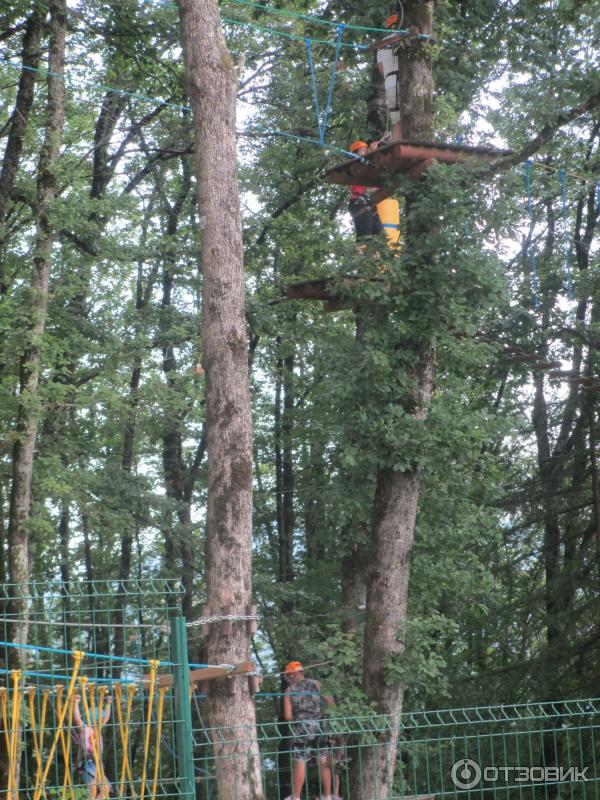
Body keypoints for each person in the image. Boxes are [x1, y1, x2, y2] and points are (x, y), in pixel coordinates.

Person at [283, 661, 335, 800]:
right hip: (320, 725)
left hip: (302, 728)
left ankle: (296, 797)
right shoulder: (316, 683)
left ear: (293, 674)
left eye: (289, 675)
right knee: (323, 759)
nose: (288, 678)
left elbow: (288, 716)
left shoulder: (289, 690)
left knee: (300, 761)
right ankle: (328, 796)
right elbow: (331, 702)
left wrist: (300, 717)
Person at [73, 693, 112, 800]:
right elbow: (77, 719)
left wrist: (108, 704)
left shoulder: (98, 728)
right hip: (87, 763)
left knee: (106, 788)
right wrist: (76, 703)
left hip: (96, 764)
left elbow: (106, 718)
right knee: (92, 791)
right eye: (99, 719)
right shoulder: (85, 728)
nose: (101, 721)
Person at [348, 140, 384, 245]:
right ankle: (362, 257)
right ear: (355, 153)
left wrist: (382, 139)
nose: (364, 151)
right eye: (362, 150)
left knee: (381, 239)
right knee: (365, 239)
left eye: (365, 149)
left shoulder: (369, 165)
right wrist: (371, 149)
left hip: (369, 204)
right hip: (359, 203)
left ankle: (377, 259)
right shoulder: (355, 164)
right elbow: (363, 161)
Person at [376, 15, 402, 131]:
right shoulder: (402, 37)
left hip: (389, 83)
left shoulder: (381, 45)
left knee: (396, 120)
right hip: (403, 81)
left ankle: (398, 146)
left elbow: (381, 69)